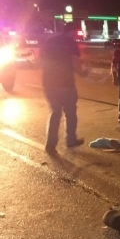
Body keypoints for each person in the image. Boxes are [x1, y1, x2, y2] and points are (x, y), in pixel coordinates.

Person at [41, 22, 88, 153]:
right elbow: (75, 63)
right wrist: (83, 73)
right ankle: (70, 140)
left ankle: (50, 144)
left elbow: (42, 60)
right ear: (72, 31)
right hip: (65, 84)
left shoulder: (50, 41)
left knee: (55, 113)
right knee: (70, 112)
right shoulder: (70, 43)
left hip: (49, 83)